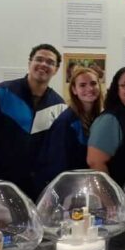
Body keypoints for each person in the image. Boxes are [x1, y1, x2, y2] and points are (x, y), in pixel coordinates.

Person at [0, 44, 67, 200]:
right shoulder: (1, 93)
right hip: (0, 184)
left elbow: (55, 153)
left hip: (38, 190)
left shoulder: (59, 105)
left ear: (56, 69)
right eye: (39, 59)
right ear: (29, 63)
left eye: (50, 62)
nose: (44, 64)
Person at [35, 65, 104, 193]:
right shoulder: (66, 122)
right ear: (74, 90)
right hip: (70, 190)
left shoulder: (99, 117)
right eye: (82, 85)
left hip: (90, 188)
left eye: (93, 83)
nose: (89, 88)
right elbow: (58, 165)